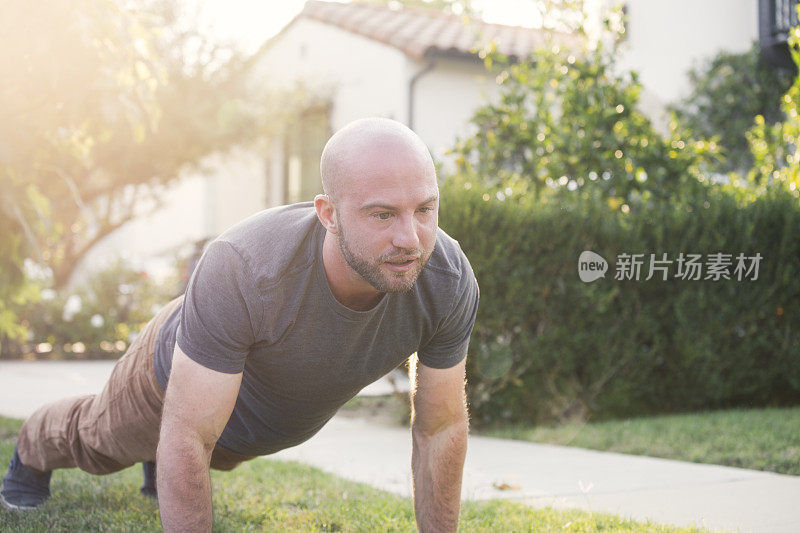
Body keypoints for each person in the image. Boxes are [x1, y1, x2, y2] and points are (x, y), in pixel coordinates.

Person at [0, 117, 480, 532]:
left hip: (246, 425)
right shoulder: (246, 269)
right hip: (172, 372)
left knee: (209, 452)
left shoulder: (446, 279)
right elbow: (189, 433)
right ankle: (28, 456)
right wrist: (176, 444)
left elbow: (440, 428)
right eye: (382, 214)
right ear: (328, 214)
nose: (410, 238)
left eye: (424, 209)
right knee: (100, 443)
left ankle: (158, 464)